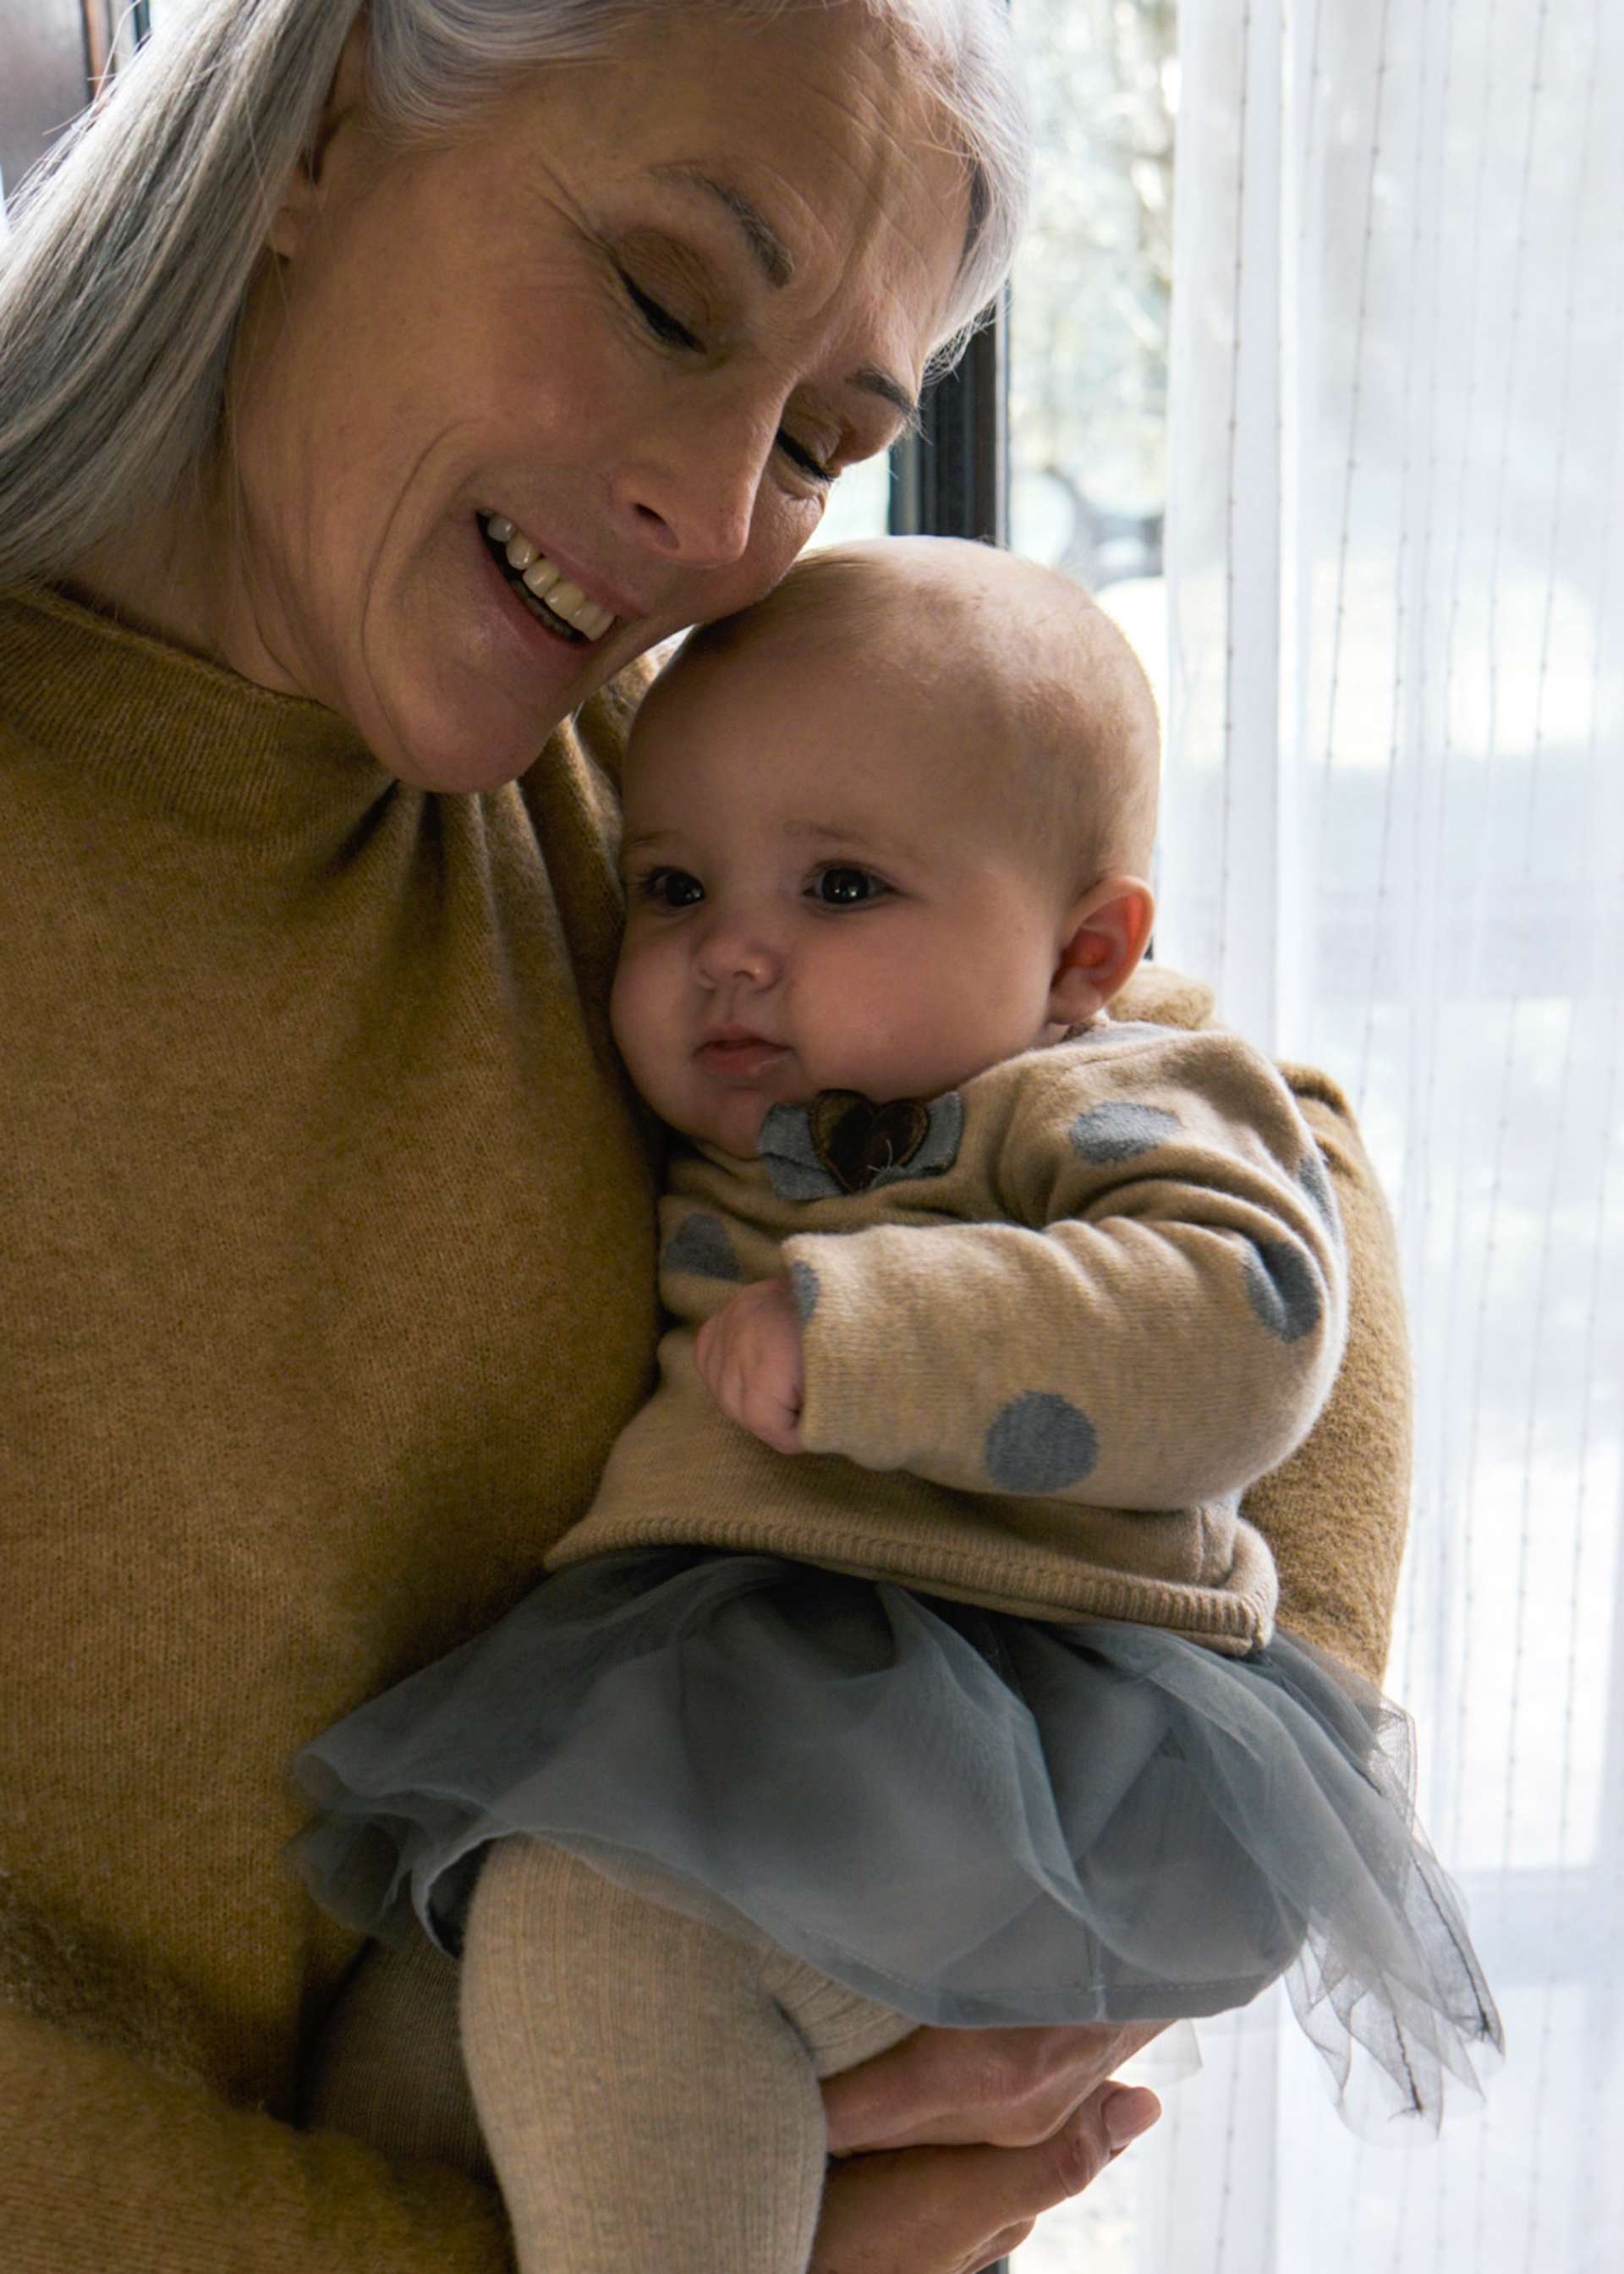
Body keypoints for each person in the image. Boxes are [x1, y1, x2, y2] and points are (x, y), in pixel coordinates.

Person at [0, 2, 1419, 2268]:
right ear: (325, 125)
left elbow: (1272, 1158)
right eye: (668, 301)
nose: (714, 517)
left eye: (827, 438)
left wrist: (1140, 1831)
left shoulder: (644, 821)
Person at [291, 541, 1499, 2273]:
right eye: (675, 888)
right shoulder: (694, 1111)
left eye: (841, 890)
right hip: (739, 1701)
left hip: (1011, 1716)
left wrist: (879, 1330)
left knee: (603, 1927)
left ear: (1088, 951)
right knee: (409, 2049)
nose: (735, 958)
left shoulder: (1097, 1093)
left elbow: (1251, 1315)